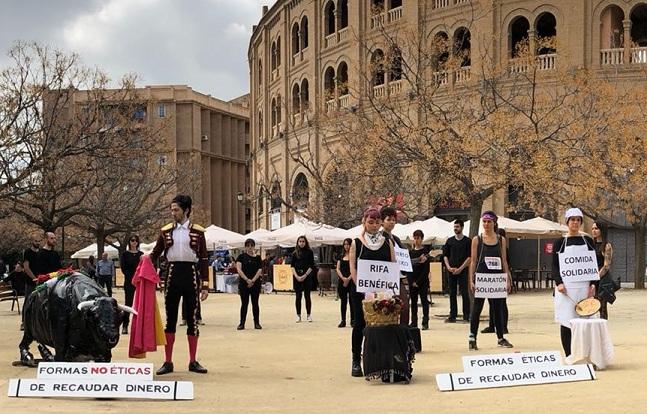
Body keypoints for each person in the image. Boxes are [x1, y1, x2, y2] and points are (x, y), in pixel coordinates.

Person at [150, 194, 209, 375]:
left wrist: (205, 285)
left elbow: (204, 259)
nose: (172, 212)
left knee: (192, 319)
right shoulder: (166, 231)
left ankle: (192, 361)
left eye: (176, 209)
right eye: (172, 209)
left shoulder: (198, 232)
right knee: (171, 320)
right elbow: (155, 254)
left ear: (187, 211)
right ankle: (168, 361)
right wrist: (148, 272)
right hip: (172, 274)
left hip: (191, 274)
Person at [349, 207, 395, 377]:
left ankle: (380, 361)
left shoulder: (387, 242)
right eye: (371, 222)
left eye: (377, 222)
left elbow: (392, 265)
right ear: (364, 222)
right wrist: (360, 285)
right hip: (361, 291)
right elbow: (352, 266)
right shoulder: (357, 243)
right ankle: (356, 359)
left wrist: (390, 289)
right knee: (360, 324)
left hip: (382, 292)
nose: (374, 226)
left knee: (382, 325)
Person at [553, 208, 596, 357]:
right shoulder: (560, 242)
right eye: (573, 220)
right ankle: (569, 355)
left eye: (578, 220)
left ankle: (584, 353)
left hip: (584, 288)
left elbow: (592, 265)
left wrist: (593, 285)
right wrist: (559, 283)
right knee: (566, 322)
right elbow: (555, 266)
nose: (575, 223)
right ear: (567, 222)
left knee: (585, 322)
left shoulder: (588, 241)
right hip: (566, 289)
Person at [468, 211, 513, 350]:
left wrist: (508, 278)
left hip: (497, 278)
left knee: (497, 309)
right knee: (477, 309)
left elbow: (504, 260)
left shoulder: (501, 240)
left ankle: (500, 337)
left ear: (494, 223)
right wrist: (471, 279)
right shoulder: (477, 239)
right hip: (482, 278)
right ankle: (472, 337)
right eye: (484, 222)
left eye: (489, 222)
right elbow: (473, 261)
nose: (486, 224)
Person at [380, 206, 409, 325]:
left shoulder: (396, 239)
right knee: (388, 308)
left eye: (393, 220)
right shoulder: (381, 238)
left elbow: (404, 258)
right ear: (382, 221)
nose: (392, 222)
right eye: (389, 219)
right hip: (386, 278)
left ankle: (403, 335)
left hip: (398, 277)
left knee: (404, 306)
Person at [442, 219, 471, 323]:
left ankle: (466, 315)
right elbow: (445, 255)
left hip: (462, 270)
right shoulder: (449, 241)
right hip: (451, 270)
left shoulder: (468, 241)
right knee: (452, 293)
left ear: (462, 227)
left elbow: (469, 257)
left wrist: (460, 269)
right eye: (454, 227)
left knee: (464, 293)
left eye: (457, 227)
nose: (455, 229)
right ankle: (452, 315)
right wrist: (448, 267)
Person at [482, 227, 510, 334]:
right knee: (491, 302)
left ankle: (503, 326)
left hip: (500, 276)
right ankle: (492, 324)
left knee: (501, 303)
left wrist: (507, 277)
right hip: (491, 277)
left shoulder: (503, 248)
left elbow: (506, 262)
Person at [236, 238, 263, 330]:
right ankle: (242, 323)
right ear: (245, 247)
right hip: (244, 283)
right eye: (248, 245)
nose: (250, 247)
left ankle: (257, 323)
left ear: (254, 246)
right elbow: (239, 269)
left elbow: (260, 270)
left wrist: (253, 280)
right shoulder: (241, 257)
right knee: (244, 304)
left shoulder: (258, 258)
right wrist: (247, 279)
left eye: (251, 245)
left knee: (255, 303)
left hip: (255, 283)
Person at [120, 235, 143, 334]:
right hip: (129, 281)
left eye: (136, 241)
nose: (134, 242)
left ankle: (140, 326)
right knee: (128, 303)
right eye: (132, 240)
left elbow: (143, 267)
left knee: (140, 304)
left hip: (139, 282)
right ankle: (125, 325)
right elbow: (123, 268)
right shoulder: (125, 254)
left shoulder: (141, 255)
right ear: (129, 242)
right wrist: (131, 278)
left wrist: (138, 277)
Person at [409, 230, 431, 330]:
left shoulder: (426, 253)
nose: (416, 240)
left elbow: (426, 270)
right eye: (415, 238)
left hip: (422, 281)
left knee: (424, 301)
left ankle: (425, 322)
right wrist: (411, 281)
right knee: (413, 302)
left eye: (418, 238)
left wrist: (418, 282)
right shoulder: (411, 253)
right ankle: (414, 321)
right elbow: (408, 268)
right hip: (412, 281)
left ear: (422, 239)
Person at [592, 222, 613, 320]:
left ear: (602, 230)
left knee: (602, 306)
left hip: (602, 279)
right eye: (592, 229)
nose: (594, 231)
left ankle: (602, 329)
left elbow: (606, 265)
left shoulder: (606, 246)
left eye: (596, 228)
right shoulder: (590, 244)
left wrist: (597, 277)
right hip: (591, 276)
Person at [291, 235, 315, 322]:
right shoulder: (294, 253)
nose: (301, 243)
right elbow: (292, 266)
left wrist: (305, 275)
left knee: (307, 296)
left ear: (306, 242)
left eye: (303, 241)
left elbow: (312, 266)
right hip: (297, 277)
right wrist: (297, 276)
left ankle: (309, 315)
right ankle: (298, 315)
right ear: (297, 242)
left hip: (307, 276)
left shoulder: (310, 252)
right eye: (300, 241)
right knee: (298, 297)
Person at [21, 232, 41, 330]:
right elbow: (26, 268)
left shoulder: (40, 252)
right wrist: (34, 278)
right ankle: (24, 322)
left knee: (39, 302)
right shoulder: (28, 252)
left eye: (39, 241)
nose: (37, 243)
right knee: (28, 301)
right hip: (30, 281)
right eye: (36, 241)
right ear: (32, 241)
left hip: (40, 281)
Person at [336, 238, 355, 328]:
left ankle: (352, 320)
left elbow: (355, 268)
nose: (346, 246)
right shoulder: (341, 256)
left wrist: (349, 278)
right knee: (343, 301)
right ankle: (343, 320)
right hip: (342, 280)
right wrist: (343, 278)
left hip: (351, 280)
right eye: (345, 244)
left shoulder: (354, 256)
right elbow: (338, 268)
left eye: (348, 244)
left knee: (352, 301)